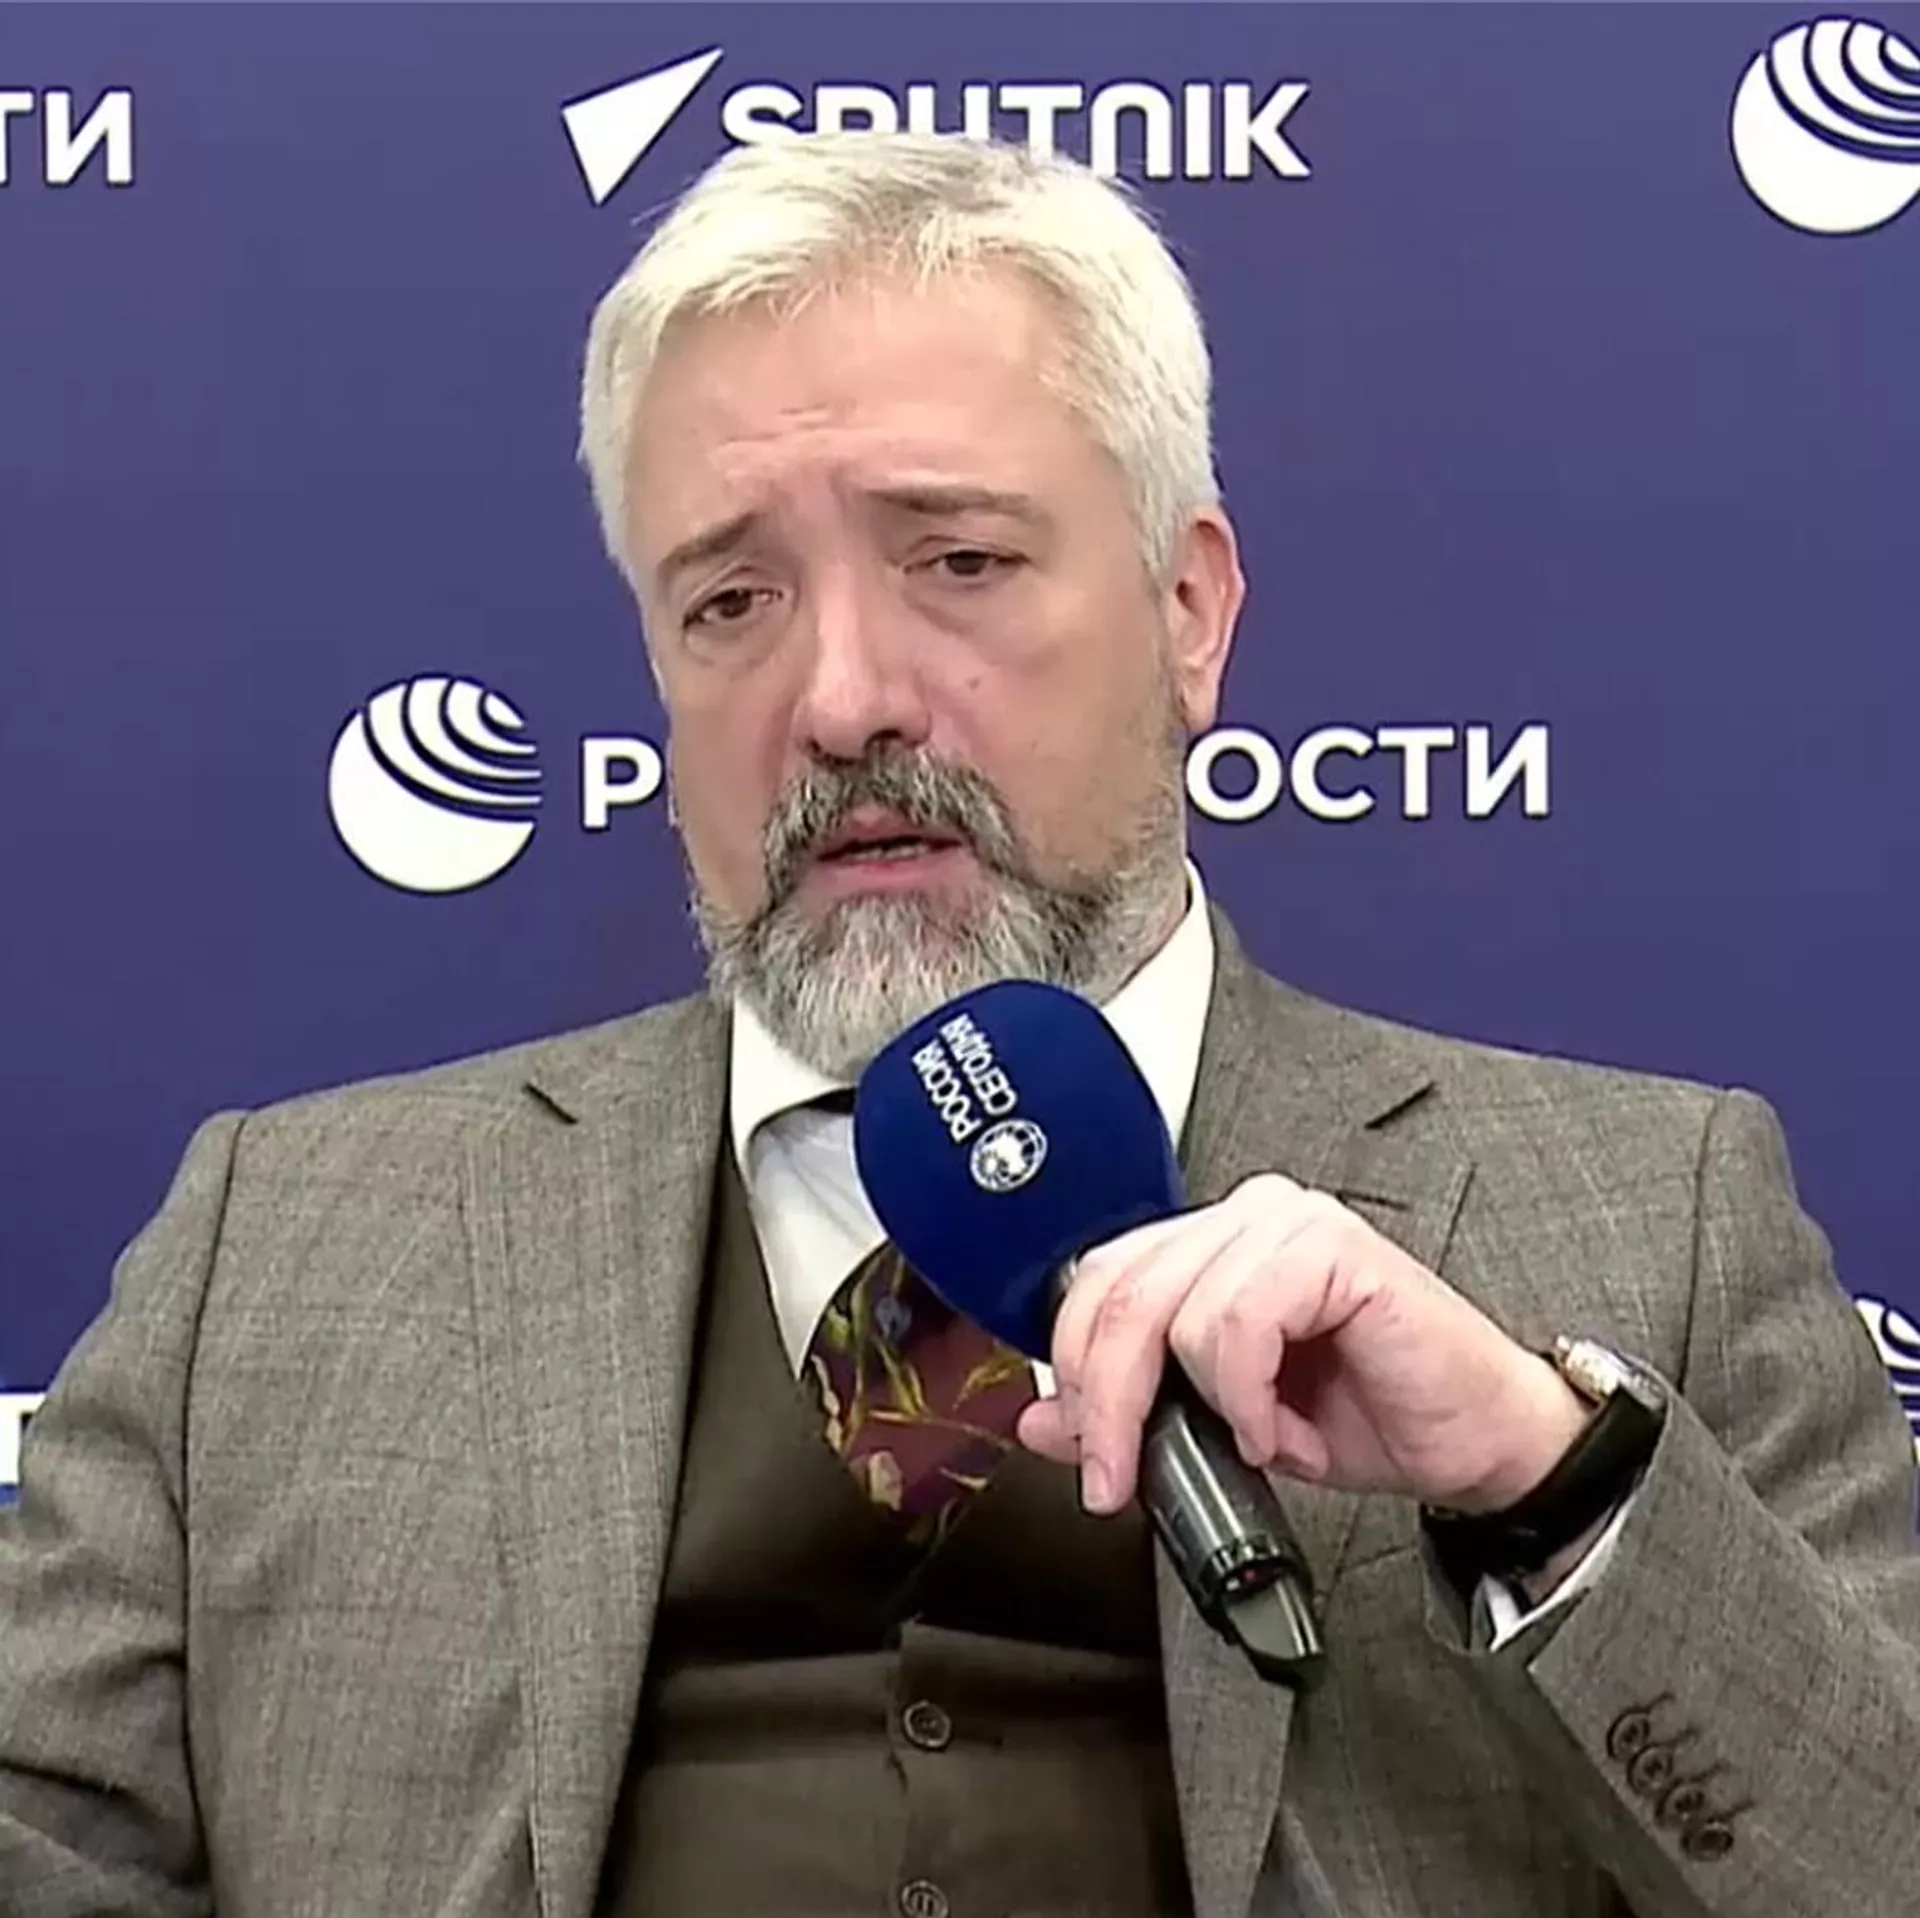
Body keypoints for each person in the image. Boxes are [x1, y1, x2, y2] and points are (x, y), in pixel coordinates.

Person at [2, 129, 1916, 1918]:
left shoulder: (1645, 1220)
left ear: (1190, 610)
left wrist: (1549, 1488)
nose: (844, 698)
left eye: (961, 560)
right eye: (732, 598)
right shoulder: (276, 1255)